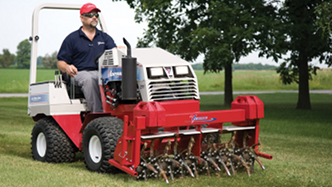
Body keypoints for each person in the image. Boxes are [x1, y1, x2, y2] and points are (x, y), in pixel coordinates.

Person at [57, 3, 116, 113]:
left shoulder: (105, 37)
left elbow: (114, 53)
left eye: (96, 15)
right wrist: (67, 67)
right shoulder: (72, 39)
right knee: (89, 79)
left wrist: (118, 50)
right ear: (82, 18)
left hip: (102, 72)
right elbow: (60, 63)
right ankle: (98, 114)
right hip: (80, 73)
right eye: (90, 15)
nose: (94, 17)